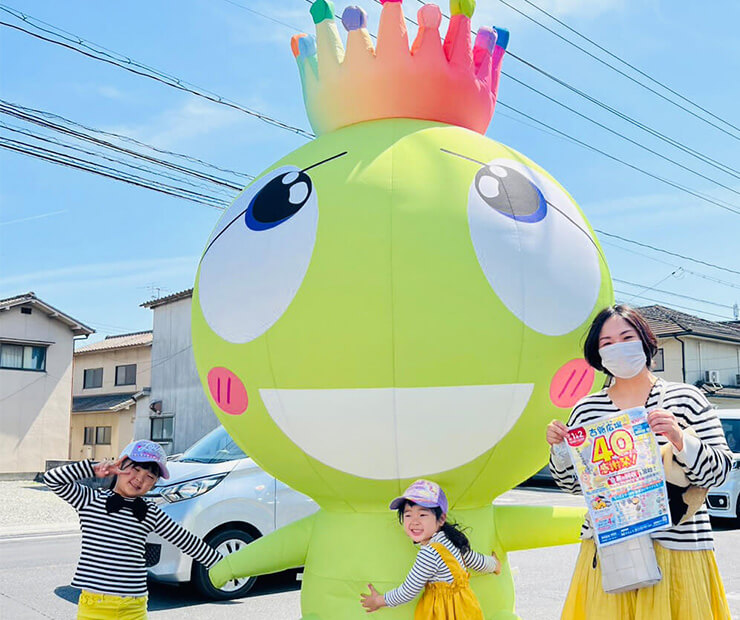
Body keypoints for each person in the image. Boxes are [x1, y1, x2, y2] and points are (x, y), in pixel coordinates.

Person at [546, 304, 732, 619]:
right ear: (597, 354)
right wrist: (560, 449)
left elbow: (719, 472)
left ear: (645, 342)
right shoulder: (586, 410)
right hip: (610, 550)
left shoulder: (685, 399)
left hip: (677, 549)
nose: (617, 347)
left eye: (626, 337)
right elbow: (570, 485)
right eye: (606, 343)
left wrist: (680, 438)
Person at [44, 440, 223, 620]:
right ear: (119, 466)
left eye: (150, 477)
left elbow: (184, 540)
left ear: (154, 484)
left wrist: (221, 564)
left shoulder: (150, 512)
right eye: (136, 469)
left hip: (134, 607)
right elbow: (52, 479)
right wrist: (93, 469)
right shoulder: (90, 499)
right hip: (94, 606)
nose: (140, 479)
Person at [360, 479, 500, 618]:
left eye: (422, 514)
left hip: (443, 613)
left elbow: (408, 591)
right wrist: (494, 564)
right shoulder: (451, 539)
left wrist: (378, 601)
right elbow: (475, 560)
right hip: (465, 609)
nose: (414, 521)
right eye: (408, 515)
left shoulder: (429, 554)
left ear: (441, 519)